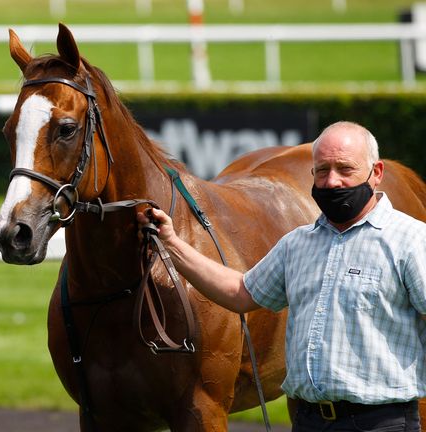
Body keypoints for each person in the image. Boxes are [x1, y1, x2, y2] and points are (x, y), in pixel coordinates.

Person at [137, 121, 426, 431]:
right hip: (310, 422)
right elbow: (239, 292)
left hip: (383, 423)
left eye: (345, 169)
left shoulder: (410, 241)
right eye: (322, 170)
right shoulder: (298, 243)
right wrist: (171, 243)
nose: (332, 182)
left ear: (376, 173)